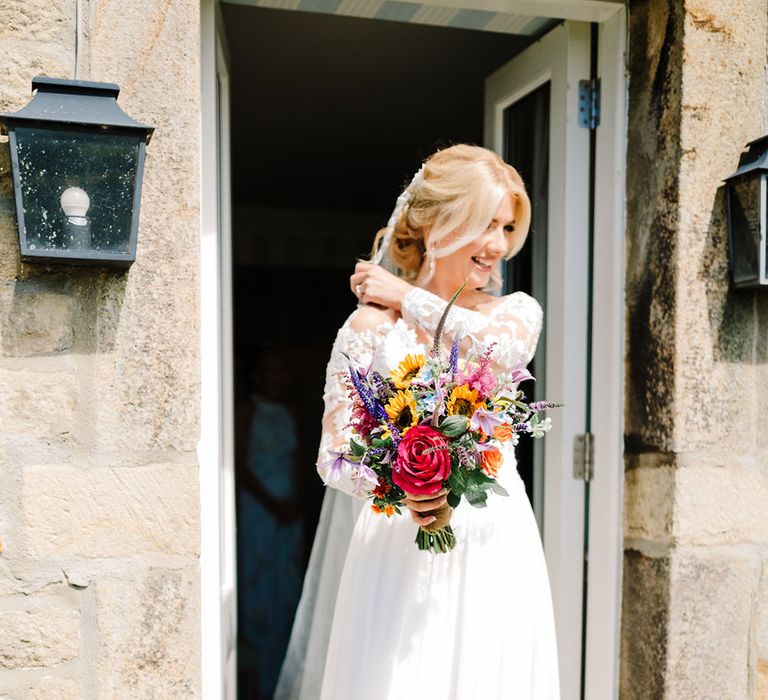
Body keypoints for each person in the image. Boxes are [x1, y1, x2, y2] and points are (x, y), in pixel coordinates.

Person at [276, 143, 560, 699]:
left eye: (507, 228)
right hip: (395, 547)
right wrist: (403, 488)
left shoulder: (515, 312)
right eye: (487, 224)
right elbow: (333, 455)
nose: (498, 245)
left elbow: (502, 356)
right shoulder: (368, 330)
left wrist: (407, 296)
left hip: (493, 542)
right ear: (437, 224)